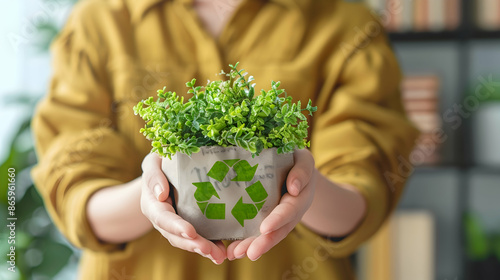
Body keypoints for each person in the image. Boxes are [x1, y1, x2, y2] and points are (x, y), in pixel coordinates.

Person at [31, 0, 419, 279]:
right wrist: (155, 193)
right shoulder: (100, 20)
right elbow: (75, 191)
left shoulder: (345, 26)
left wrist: (305, 187)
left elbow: (367, 189)